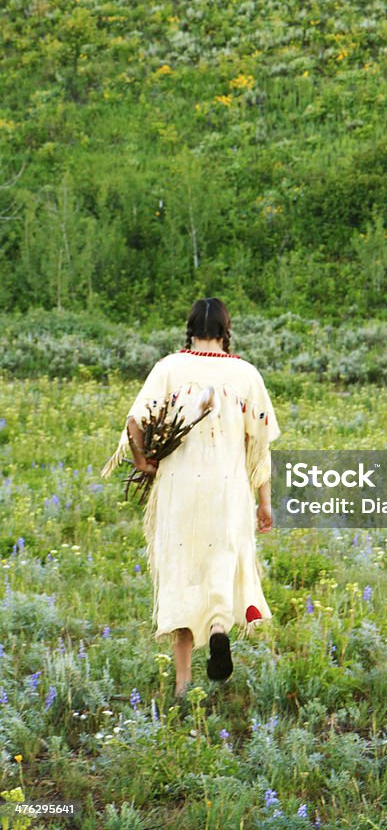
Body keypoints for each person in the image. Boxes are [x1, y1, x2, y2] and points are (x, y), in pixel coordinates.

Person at [102, 297, 280, 697]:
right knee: (221, 563)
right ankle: (218, 627)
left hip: (179, 490)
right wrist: (264, 502)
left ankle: (182, 687)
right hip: (227, 488)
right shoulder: (245, 374)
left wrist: (142, 459)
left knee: (181, 572)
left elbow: (135, 421)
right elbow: (261, 444)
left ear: (190, 329)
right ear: (225, 330)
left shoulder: (168, 369)